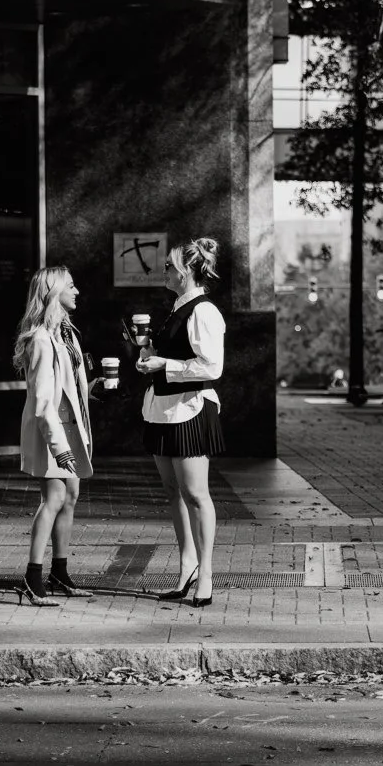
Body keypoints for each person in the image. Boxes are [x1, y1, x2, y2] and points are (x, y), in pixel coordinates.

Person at [135, 236, 225, 608]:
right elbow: (176, 355)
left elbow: (213, 367)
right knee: (173, 492)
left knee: (196, 494)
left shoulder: (203, 311)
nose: (165, 272)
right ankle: (187, 563)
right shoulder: (177, 307)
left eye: (170, 266)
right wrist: (150, 355)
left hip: (191, 408)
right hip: (163, 408)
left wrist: (164, 365)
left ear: (187, 271)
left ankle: (205, 573)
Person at [15, 266, 95, 604]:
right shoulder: (41, 340)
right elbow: (44, 400)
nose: (77, 291)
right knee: (54, 500)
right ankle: (33, 578)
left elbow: (70, 389)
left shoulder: (66, 333)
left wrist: (95, 388)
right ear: (53, 292)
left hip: (70, 429)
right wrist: (58, 447)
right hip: (54, 432)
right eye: (71, 286)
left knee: (70, 497)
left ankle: (59, 572)